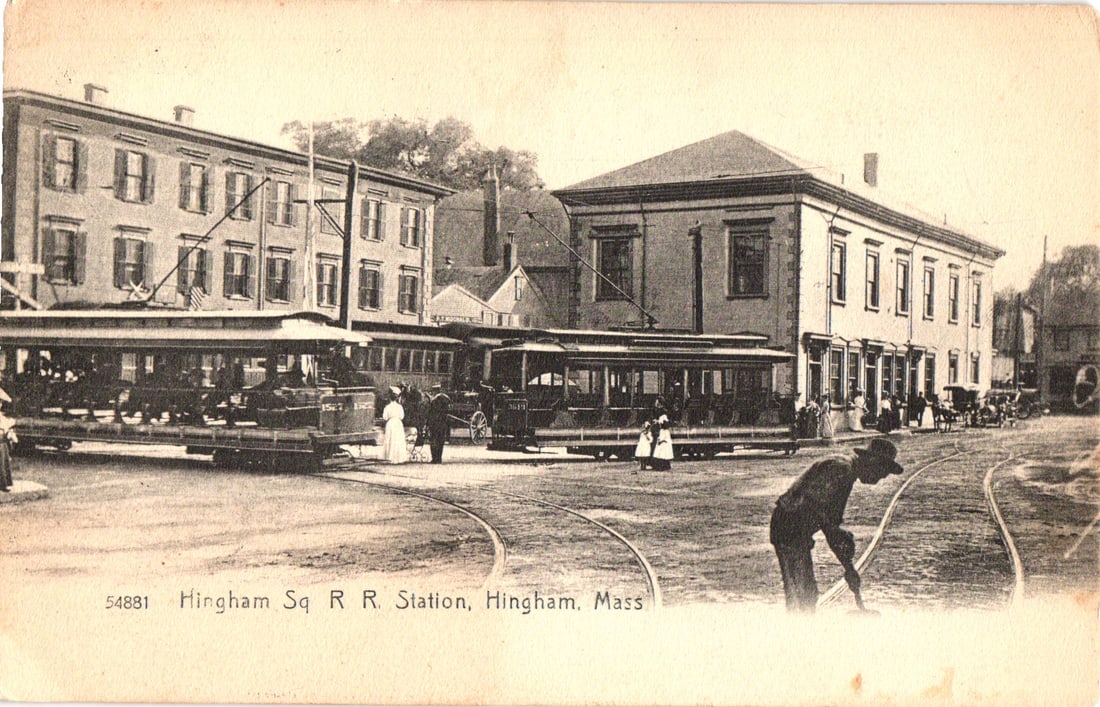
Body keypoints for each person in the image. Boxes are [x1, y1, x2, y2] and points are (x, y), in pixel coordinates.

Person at [769, 438, 904, 612]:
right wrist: (842, 545)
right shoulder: (841, 470)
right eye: (882, 472)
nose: (881, 478)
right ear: (872, 462)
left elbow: (829, 521)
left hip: (796, 528)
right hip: (789, 528)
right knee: (802, 595)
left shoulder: (847, 471)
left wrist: (848, 567)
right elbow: (818, 513)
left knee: (805, 593)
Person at [425, 384, 452, 464]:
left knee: (433, 440)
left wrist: (427, 424)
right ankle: (439, 458)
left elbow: (431, 412)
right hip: (443, 423)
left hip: (434, 423)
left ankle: (434, 458)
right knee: (441, 441)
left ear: (435, 391)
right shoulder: (446, 398)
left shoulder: (435, 400)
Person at [381, 386, 408, 464]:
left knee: (390, 440)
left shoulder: (387, 407)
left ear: (390, 398)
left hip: (391, 423)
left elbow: (385, 417)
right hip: (398, 423)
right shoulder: (400, 407)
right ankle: (399, 458)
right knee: (398, 440)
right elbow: (402, 416)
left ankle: (390, 457)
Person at [0, 395, 17, 491]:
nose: (0, 405)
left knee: (2, 463)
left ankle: (3, 484)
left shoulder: (1, 416)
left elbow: (7, 423)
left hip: (2, 441)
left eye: (1, 403)